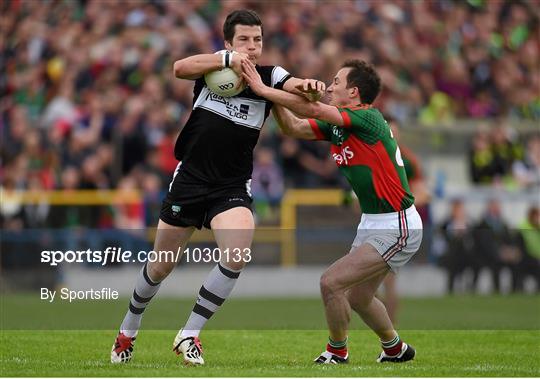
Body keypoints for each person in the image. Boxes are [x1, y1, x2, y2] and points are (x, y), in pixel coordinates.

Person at [110, 9, 323, 366]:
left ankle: (190, 333)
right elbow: (179, 67)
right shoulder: (212, 68)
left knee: (237, 254)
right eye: (244, 40)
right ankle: (128, 330)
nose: (252, 47)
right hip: (190, 180)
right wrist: (226, 59)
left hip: (231, 185)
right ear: (228, 42)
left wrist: (303, 86)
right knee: (161, 265)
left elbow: (296, 87)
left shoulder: (269, 76)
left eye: (257, 40)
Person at [241, 59, 422, 363]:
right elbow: (294, 127)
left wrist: (262, 87)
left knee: (331, 282)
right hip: (373, 222)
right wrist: (269, 96)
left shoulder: (368, 118)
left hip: (397, 223)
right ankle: (395, 349)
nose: (330, 85)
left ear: (353, 92)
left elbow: (310, 110)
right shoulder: (339, 124)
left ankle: (337, 353)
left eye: (336, 82)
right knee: (359, 297)